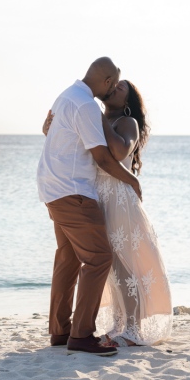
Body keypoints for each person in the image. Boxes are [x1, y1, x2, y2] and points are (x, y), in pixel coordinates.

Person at [43, 79, 172, 347]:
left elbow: (118, 151)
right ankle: (119, 323)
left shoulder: (127, 123)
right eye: (112, 86)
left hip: (117, 199)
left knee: (124, 265)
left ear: (128, 102)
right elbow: (76, 148)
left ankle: (134, 330)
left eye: (120, 89)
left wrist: (95, 116)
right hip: (96, 194)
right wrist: (50, 130)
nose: (113, 89)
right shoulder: (94, 118)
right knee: (110, 266)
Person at [36, 57, 142, 356]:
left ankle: (60, 331)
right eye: (114, 83)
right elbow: (104, 158)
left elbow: (62, 138)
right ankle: (81, 335)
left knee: (68, 259)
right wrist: (131, 180)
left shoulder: (68, 95)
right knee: (98, 259)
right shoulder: (86, 106)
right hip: (73, 191)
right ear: (107, 82)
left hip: (53, 187)